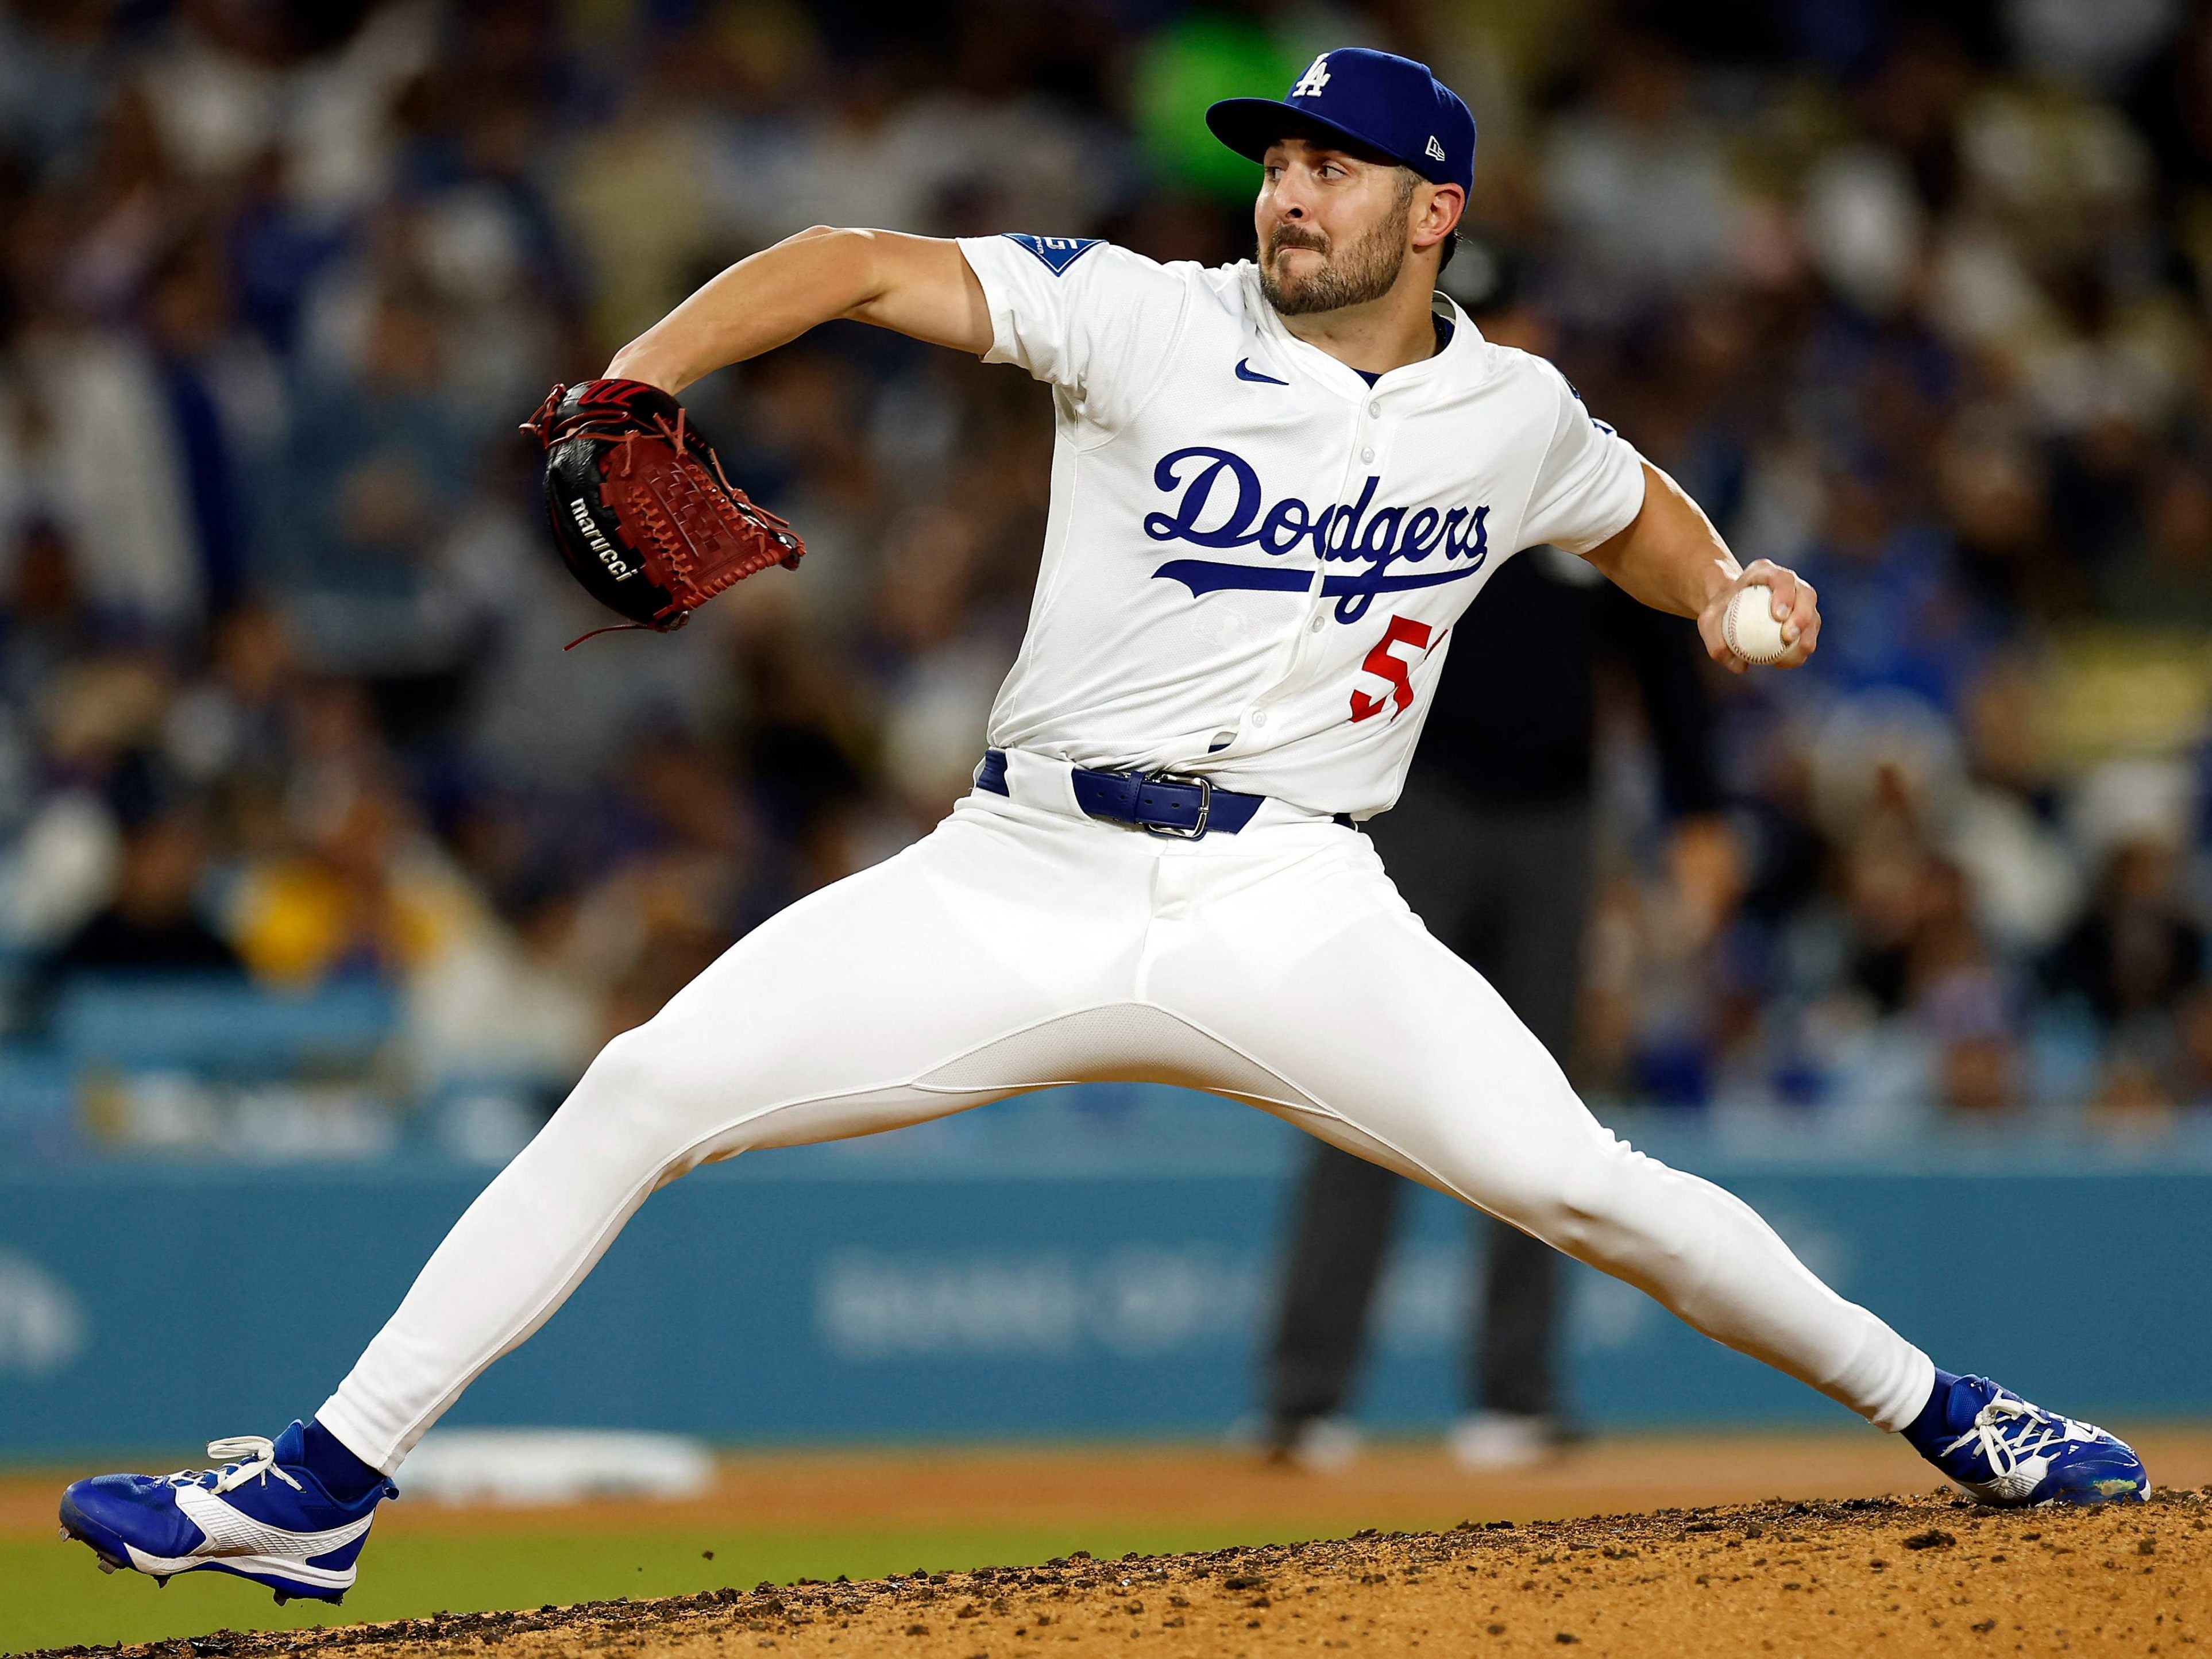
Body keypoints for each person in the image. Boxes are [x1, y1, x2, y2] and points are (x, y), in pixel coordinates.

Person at [59, 49, 2148, 1606]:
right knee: (640, 1084)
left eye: (1331, 165)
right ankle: (322, 1486)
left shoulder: (1504, 408)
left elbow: (1624, 501)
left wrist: (1721, 592)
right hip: (1021, 873)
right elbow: (851, 263)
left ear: (1435, 208)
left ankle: (1963, 1414)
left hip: (1291, 895)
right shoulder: (1145, 311)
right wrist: (639, 376)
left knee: (1582, 1184)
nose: (1286, 191)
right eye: (1276, 161)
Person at [1264, 530, 1723, 1471]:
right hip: (1409, 798)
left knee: (1538, 1099)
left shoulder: (1592, 477)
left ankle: (1517, 1393)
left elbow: (1657, 636)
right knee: (1363, 1087)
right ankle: (1304, 1399)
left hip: (1560, 813)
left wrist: (1699, 806)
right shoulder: (1424, 463)